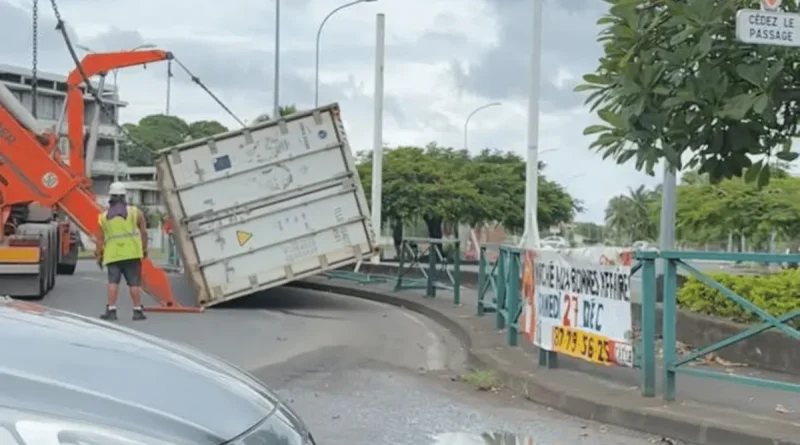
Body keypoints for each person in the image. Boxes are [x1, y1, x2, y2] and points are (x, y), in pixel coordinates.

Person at [95, 182, 148, 321]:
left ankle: (111, 310)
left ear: (110, 196)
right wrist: (144, 249)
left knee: (113, 282)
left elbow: (100, 239)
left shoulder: (103, 217)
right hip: (132, 254)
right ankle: (137, 311)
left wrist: (98, 255)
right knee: (134, 283)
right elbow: (143, 232)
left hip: (113, 255)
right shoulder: (135, 212)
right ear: (125, 196)